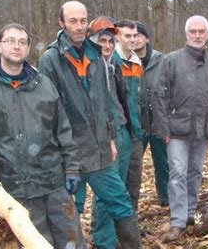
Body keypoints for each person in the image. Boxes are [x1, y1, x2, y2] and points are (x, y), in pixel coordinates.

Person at [0, 23, 86, 249]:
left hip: (53, 182)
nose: (16, 46)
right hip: (15, 186)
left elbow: (63, 130)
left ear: (28, 48)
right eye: (10, 41)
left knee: (72, 242)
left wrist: (71, 167)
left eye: (22, 42)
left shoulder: (44, 85)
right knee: (35, 243)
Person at [37, 1, 141, 248]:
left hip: (99, 150)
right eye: (73, 21)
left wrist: (111, 138)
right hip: (68, 154)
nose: (79, 26)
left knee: (120, 203)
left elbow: (105, 101)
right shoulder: (50, 60)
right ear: (61, 23)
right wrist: (60, 153)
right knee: (68, 213)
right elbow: (48, 113)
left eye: (83, 21)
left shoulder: (95, 55)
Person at [153, 15, 208, 242]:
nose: (197, 35)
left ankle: (190, 213)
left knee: (195, 172)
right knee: (177, 172)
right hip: (177, 129)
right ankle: (177, 220)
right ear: (186, 34)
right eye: (193, 32)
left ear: (207, 35)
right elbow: (159, 95)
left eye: (201, 32)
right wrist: (163, 128)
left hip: (203, 128)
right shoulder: (171, 61)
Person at [86, 16, 134, 248]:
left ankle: (114, 235)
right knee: (107, 190)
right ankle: (103, 238)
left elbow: (121, 100)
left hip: (121, 130)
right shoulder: (88, 67)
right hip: (104, 137)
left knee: (119, 189)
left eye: (110, 41)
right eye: (101, 40)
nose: (106, 45)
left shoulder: (113, 65)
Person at [134, 21, 169, 207]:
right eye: (132, 36)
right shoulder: (125, 61)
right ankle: (131, 201)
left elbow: (171, 87)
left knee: (163, 163)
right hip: (136, 123)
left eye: (139, 35)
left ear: (147, 38)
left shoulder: (161, 60)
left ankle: (166, 198)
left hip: (158, 121)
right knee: (133, 166)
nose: (136, 39)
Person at [113, 20, 144, 210]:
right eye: (127, 36)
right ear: (118, 36)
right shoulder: (111, 60)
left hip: (136, 132)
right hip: (118, 132)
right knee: (116, 182)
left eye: (135, 36)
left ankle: (130, 225)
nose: (132, 40)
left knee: (134, 181)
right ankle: (107, 232)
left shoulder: (136, 61)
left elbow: (138, 99)